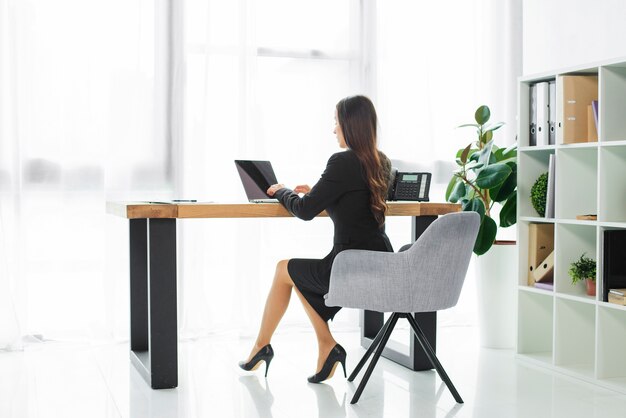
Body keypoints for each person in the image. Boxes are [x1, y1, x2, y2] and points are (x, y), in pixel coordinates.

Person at [238, 95, 393, 383]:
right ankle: (326, 346)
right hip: (381, 263)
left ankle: (262, 346)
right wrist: (320, 192)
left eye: (336, 122)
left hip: (349, 267)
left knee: (284, 270)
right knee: (297, 277)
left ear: (349, 124)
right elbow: (354, 201)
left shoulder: (342, 160)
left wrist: (282, 190)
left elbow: (304, 211)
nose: (334, 129)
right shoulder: (381, 161)